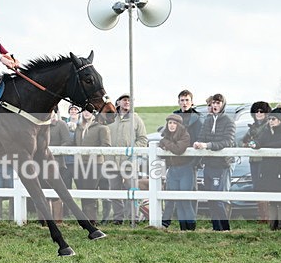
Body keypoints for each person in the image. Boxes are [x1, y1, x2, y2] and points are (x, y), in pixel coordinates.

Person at [193, 93, 236, 231]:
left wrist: (208, 145)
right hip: (209, 164)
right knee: (210, 198)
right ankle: (216, 227)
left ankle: (225, 228)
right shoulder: (208, 120)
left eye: (218, 103)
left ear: (223, 104)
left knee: (218, 199)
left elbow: (227, 141)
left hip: (222, 164)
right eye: (213, 103)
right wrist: (198, 144)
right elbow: (202, 136)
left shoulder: (229, 121)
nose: (215, 105)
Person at [161, 90, 203, 228]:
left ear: (192, 102)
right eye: (182, 100)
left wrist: (195, 162)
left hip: (189, 161)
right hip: (175, 164)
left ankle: (191, 225)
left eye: (187, 100)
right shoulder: (175, 116)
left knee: (188, 197)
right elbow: (165, 137)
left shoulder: (196, 119)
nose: (184, 103)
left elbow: (196, 139)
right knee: (178, 199)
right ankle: (181, 226)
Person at [106, 93, 148, 224]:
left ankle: (133, 218)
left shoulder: (136, 119)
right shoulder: (110, 118)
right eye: (124, 100)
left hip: (129, 162)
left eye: (129, 100)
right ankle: (118, 218)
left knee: (132, 190)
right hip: (112, 161)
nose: (127, 102)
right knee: (114, 191)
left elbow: (143, 139)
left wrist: (131, 151)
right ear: (118, 102)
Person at [254, 107, 281, 230]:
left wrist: (265, 146)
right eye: (269, 118)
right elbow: (259, 141)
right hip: (267, 168)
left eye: (273, 119)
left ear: (280, 120)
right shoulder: (266, 129)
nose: (271, 121)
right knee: (271, 198)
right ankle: (273, 227)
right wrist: (255, 144)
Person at [158, 114, 195, 230]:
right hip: (173, 170)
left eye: (174, 123)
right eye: (170, 123)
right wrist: (164, 143)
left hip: (185, 169)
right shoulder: (166, 136)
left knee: (185, 201)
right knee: (176, 200)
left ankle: (191, 228)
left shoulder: (185, 135)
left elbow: (179, 149)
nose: (172, 125)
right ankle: (183, 228)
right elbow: (162, 145)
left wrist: (165, 143)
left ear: (179, 125)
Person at [74, 109, 111, 224]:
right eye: (84, 111)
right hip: (79, 164)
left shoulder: (101, 128)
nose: (86, 113)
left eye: (89, 111)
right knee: (82, 192)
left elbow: (106, 145)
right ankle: (84, 220)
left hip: (95, 164)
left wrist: (91, 154)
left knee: (90, 191)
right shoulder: (79, 127)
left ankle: (92, 220)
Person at [241, 101, 272, 223]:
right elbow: (242, 141)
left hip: (264, 161)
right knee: (257, 187)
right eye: (256, 111)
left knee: (265, 187)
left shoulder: (268, 126)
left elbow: (264, 141)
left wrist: (253, 143)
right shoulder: (252, 127)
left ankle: (268, 217)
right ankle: (263, 216)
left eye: (261, 111)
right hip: (253, 161)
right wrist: (247, 144)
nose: (259, 113)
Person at [47, 108, 74, 223]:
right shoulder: (42, 124)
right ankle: (45, 221)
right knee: (44, 192)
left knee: (56, 193)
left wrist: (52, 151)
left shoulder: (61, 124)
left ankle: (58, 221)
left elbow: (67, 141)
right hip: (41, 164)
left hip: (57, 162)